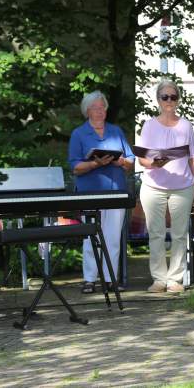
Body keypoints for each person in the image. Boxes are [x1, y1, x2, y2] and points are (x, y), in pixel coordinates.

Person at [136, 80, 194, 294]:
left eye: (173, 97)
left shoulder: (186, 125)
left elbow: (193, 159)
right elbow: (142, 159)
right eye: (165, 97)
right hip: (153, 186)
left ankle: (175, 279)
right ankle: (158, 279)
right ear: (158, 100)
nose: (169, 101)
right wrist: (155, 163)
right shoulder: (149, 125)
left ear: (178, 100)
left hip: (183, 186)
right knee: (156, 233)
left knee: (180, 234)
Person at [68, 90, 135, 294]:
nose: (99, 111)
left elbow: (131, 162)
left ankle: (110, 279)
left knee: (113, 237)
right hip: (90, 193)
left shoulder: (116, 131)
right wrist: (95, 164)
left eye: (102, 107)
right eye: (95, 108)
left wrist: (120, 161)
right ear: (87, 111)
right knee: (90, 238)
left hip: (116, 192)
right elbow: (75, 167)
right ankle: (89, 279)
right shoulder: (79, 134)